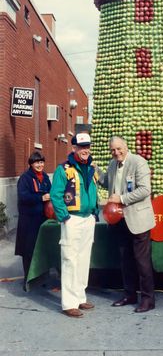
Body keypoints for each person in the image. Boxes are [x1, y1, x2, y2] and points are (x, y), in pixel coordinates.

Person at [97, 136, 156, 313]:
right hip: (119, 220)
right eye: (113, 150)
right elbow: (108, 182)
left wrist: (121, 198)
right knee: (125, 261)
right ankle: (130, 295)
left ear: (126, 146)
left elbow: (145, 190)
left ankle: (148, 299)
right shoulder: (112, 164)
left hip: (138, 220)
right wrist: (95, 170)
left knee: (142, 262)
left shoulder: (139, 162)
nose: (116, 153)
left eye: (119, 149)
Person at [50, 132, 98, 318]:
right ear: (74, 148)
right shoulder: (64, 169)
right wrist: (65, 217)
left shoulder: (92, 168)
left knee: (84, 259)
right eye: (81, 147)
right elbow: (56, 194)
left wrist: (94, 211)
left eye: (87, 146)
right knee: (70, 259)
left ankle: (80, 297)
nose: (85, 150)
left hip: (88, 218)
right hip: (72, 219)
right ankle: (69, 303)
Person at [15, 151, 51, 291]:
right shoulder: (25, 178)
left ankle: (42, 278)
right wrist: (40, 198)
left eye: (41, 162)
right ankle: (28, 280)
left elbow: (52, 192)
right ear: (31, 164)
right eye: (37, 162)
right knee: (28, 251)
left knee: (42, 249)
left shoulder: (46, 177)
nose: (40, 165)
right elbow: (23, 197)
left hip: (43, 218)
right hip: (29, 220)